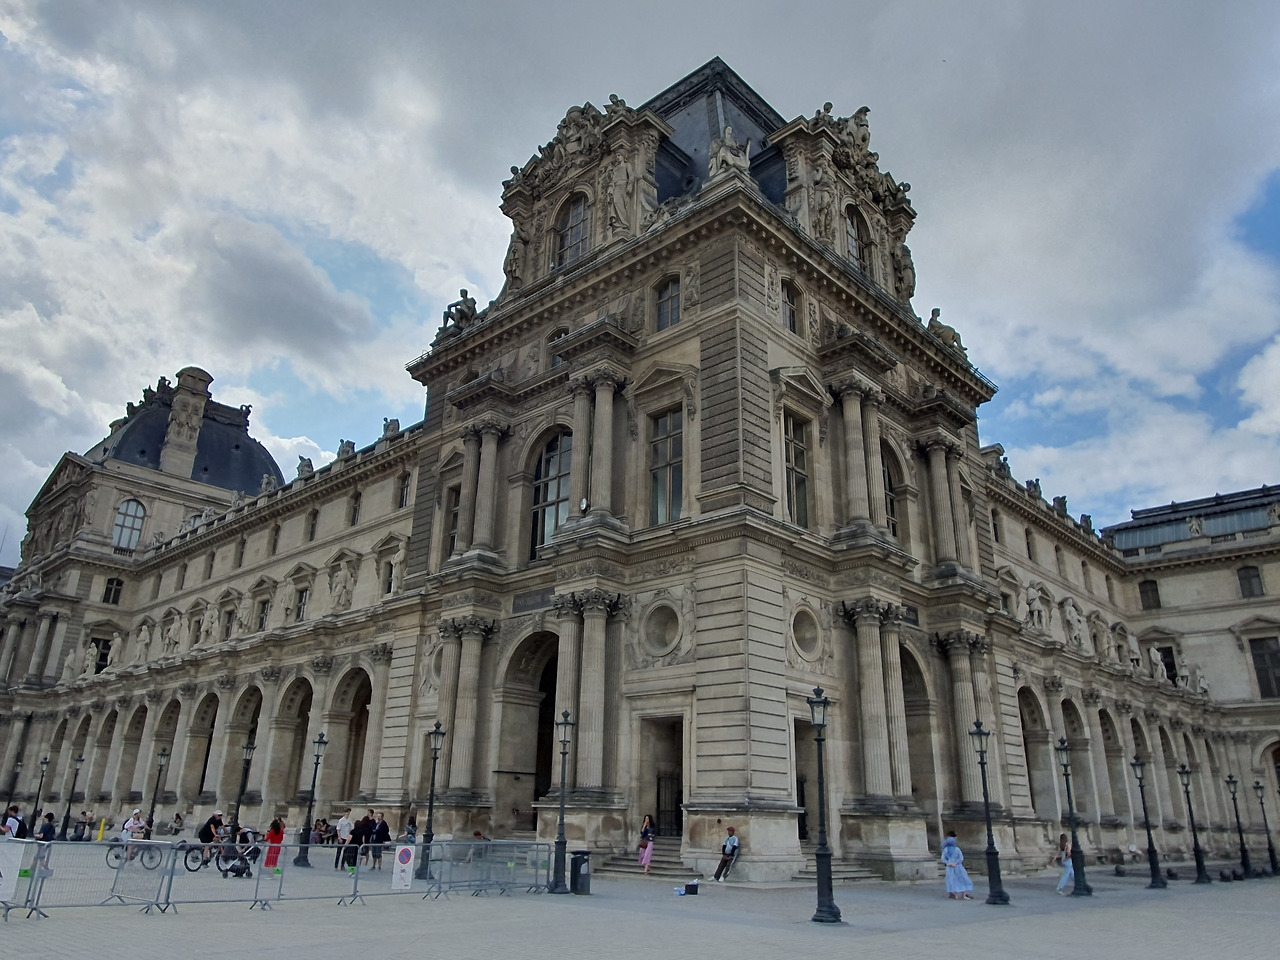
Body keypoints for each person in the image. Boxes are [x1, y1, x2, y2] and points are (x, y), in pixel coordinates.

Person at [941, 832, 974, 900]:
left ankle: (954, 894)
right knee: (963, 878)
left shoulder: (945, 850)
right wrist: (956, 863)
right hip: (958, 866)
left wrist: (949, 863)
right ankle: (964, 894)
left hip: (950, 867)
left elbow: (943, 859)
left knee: (952, 880)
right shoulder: (957, 849)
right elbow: (961, 858)